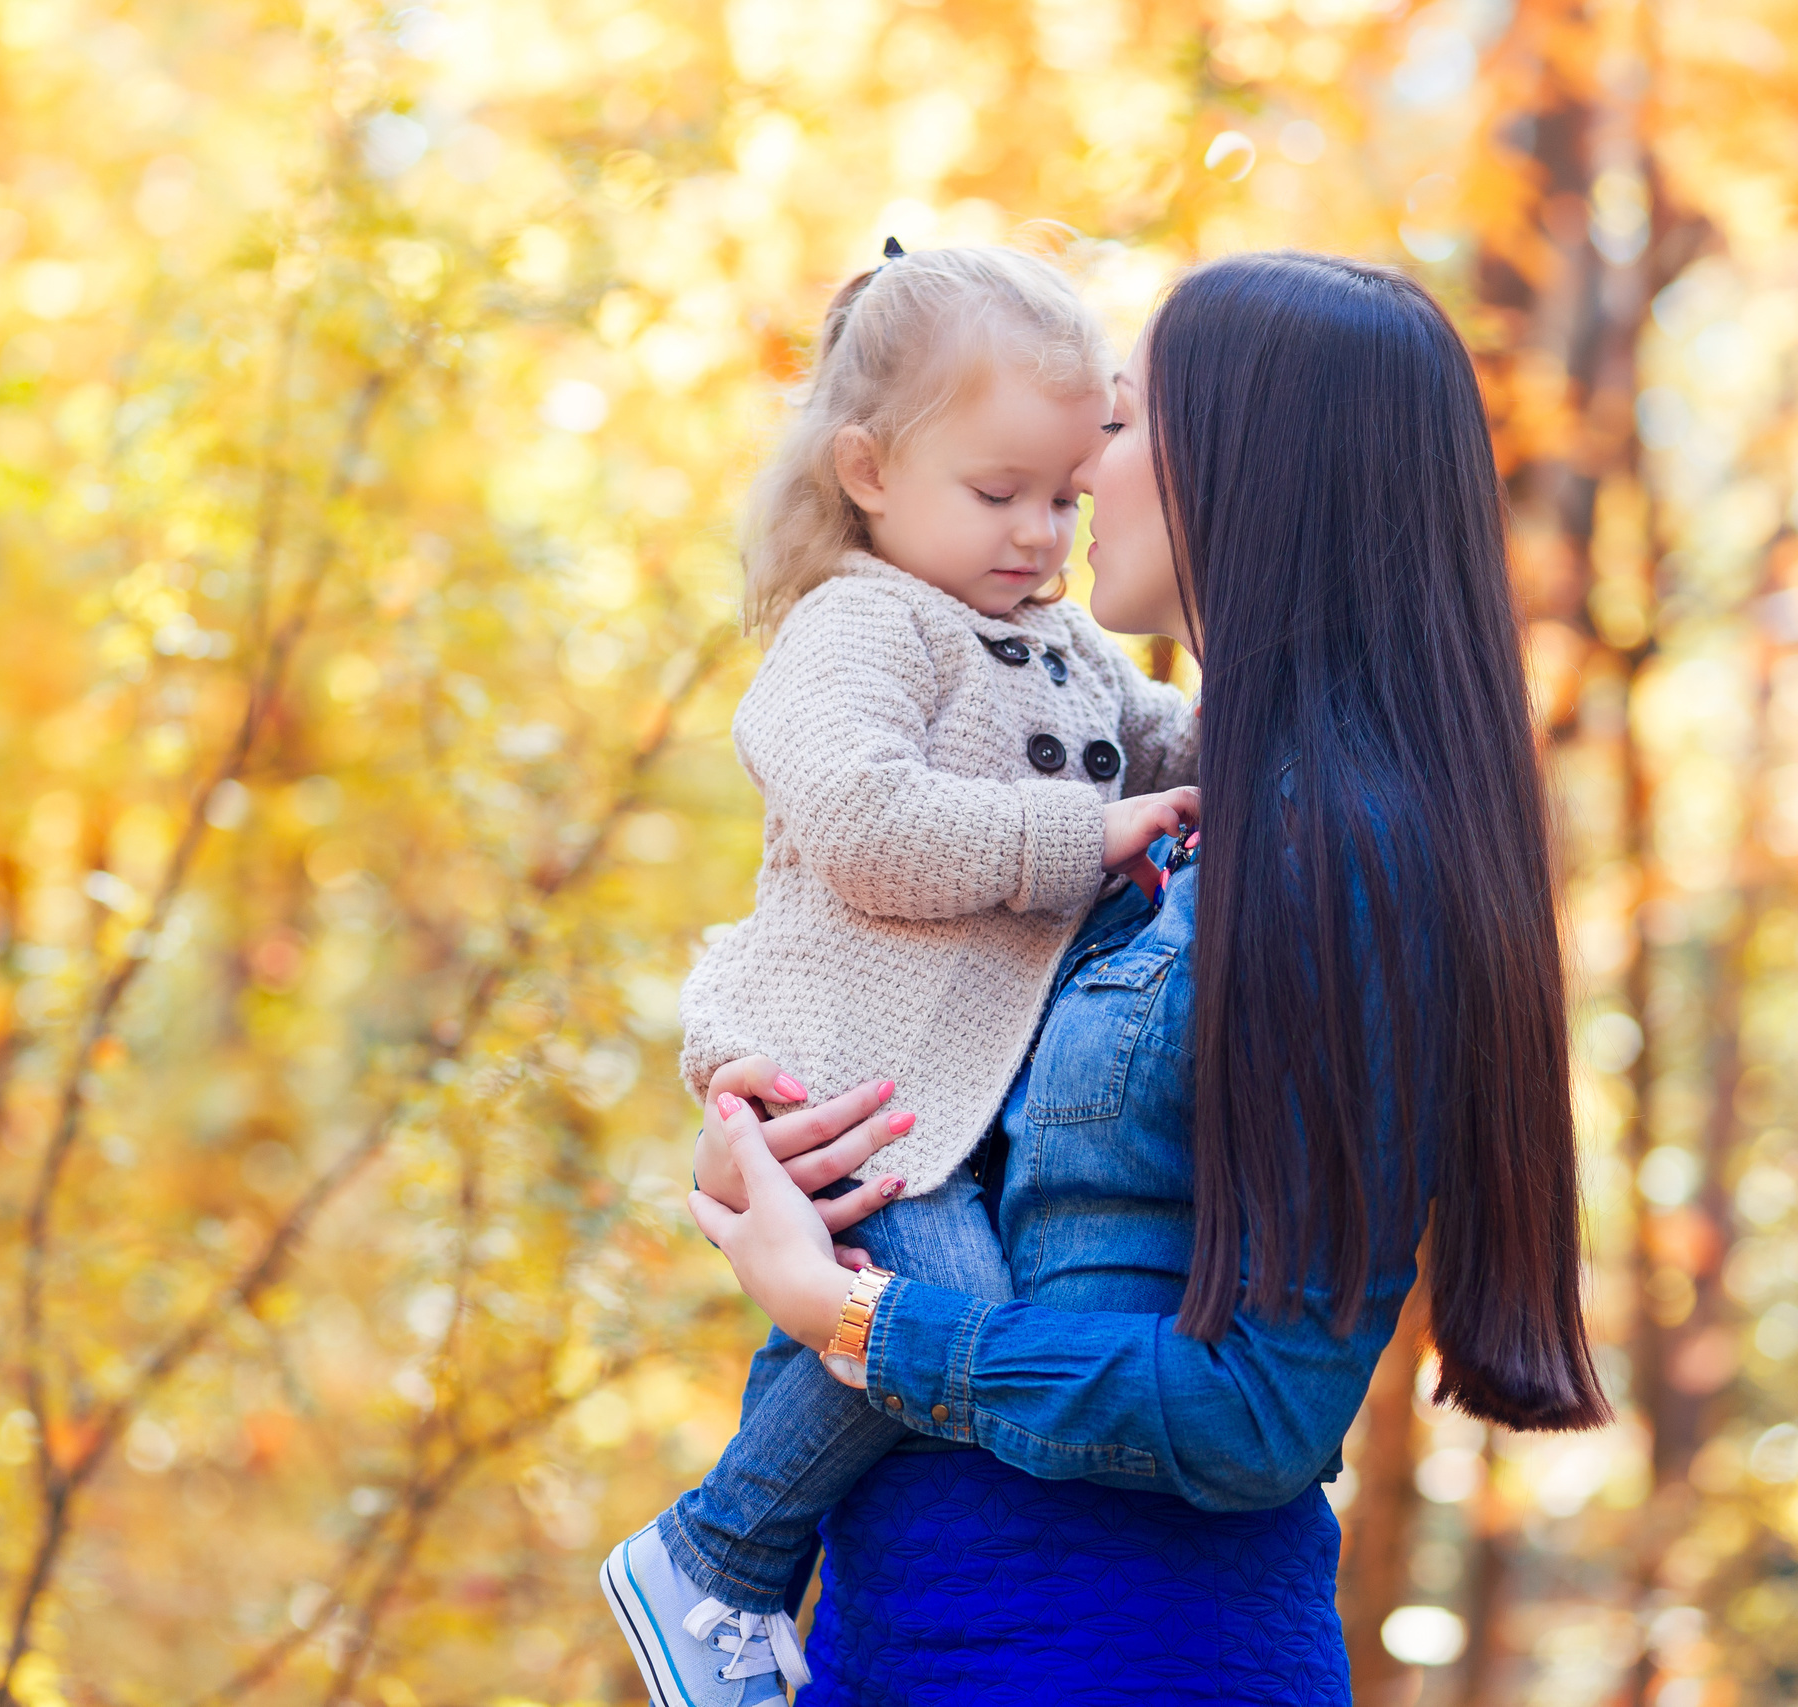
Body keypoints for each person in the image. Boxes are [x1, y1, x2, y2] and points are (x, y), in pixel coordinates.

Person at [685, 251, 1611, 1703]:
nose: (1075, 482)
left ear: (1252, 469)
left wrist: (854, 1321)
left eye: (1114, 430)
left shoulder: (1337, 856)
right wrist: (784, 1129)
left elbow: (1256, 1412)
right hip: (900, 1633)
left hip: (1122, 1648)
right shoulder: (1164, 824)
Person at [600, 240, 1202, 1706]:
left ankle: (732, 1557)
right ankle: (717, 1554)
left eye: (1065, 496)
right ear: (869, 469)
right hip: (848, 1075)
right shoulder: (857, 626)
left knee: (940, 1326)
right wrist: (1089, 832)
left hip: (940, 1091)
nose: (1042, 539)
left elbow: (1165, 744)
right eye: (997, 496)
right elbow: (867, 829)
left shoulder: (1052, 640)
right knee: (952, 1323)